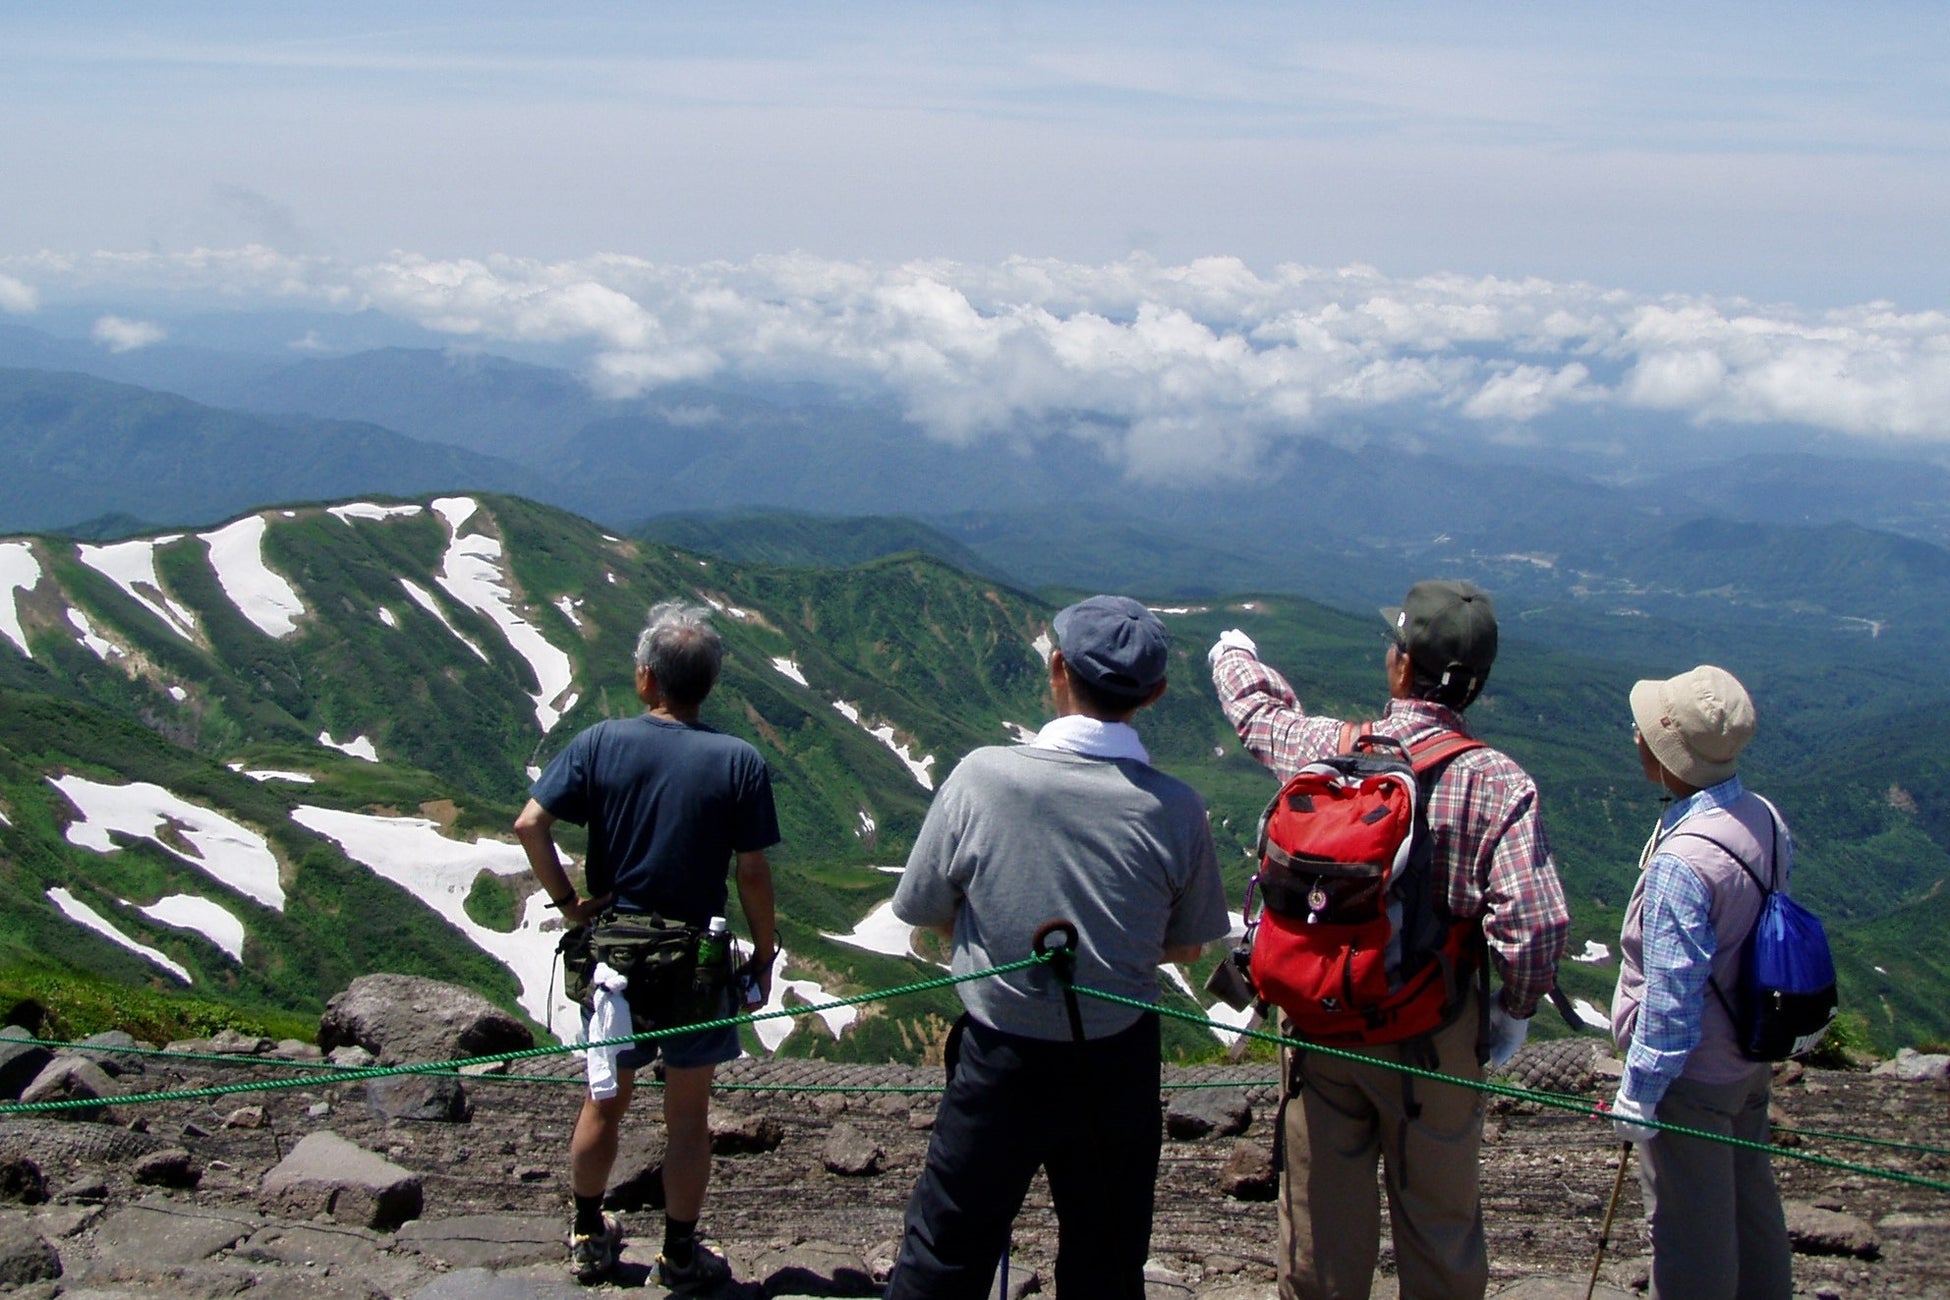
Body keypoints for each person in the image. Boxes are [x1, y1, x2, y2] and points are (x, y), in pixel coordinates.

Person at [1209, 579, 1569, 1300]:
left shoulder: (1326, 748)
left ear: (1401, 667)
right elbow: (1534, 924)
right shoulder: (1497, 783)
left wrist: (1232, 652)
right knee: (1439, 1228)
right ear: (1478, 684)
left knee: (1319, 1234)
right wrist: (1514, 1013)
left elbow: (1255, 713)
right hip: (1430, 1036)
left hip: (1321, 1025)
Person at [884, 595, 1231, 1300]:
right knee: (1106, 1259)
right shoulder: (1178, 807)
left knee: (947, 1246)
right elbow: (1189, 948)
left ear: (1058, 669)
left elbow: (922, 908)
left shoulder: (982, 776)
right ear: (1156, 694)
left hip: (997, 1053)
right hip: (1118, 1057)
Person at [514, 600, 779, 1289]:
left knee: (605, 1100)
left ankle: (585, 1232)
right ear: (708, 685)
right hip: (696, 956)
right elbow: (752, 870)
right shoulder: (739, 761)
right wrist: (765, 954)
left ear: (645, 680)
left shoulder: (601, 743)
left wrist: (572, 906)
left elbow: (529, 824)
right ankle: (681, 1253)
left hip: (615, 955)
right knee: (688, 1115)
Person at [1609, 665, 1793, 1298]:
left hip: (1692, 1078)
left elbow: (1671, 1000)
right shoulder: (1762, 817)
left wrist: (1638, 1094)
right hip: (1749, 1054)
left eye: (1644, 730)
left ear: (1668, 752)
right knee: (1751, 1205)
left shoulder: (1681, 863)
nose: (1635, 735)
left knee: (1690, 1234)